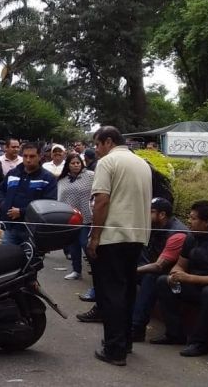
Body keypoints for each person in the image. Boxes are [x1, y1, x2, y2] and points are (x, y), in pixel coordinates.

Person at [86, 126, 152, 366]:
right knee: (126, 291)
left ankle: (114, 350)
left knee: (111, 293)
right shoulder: (141, 163)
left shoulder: (107, 163)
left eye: (97, 144)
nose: (96, 149)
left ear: (108, 141)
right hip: (137, 236)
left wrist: (95, 237)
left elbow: (102, 201)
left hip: (113, 236)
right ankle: (124, 342)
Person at [151, 201, 208, 357]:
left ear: (206, 222)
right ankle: (175, 334)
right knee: (163, 282)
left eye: (193, 218)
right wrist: (175, 274)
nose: (189, 222)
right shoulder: (192, 237)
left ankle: (199, 343)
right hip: (194, 285)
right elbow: (180, 265)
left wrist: (190, 278)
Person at [129, 198, 190, 342]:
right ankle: (116, 316)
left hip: (175, 276)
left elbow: (159, 266)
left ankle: (136, 328)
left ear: (162, 215)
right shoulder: (156, 226)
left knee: (150, 277)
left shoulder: (177, 234)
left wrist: (133, 270)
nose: (146, 214)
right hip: (159, 270)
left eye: (151, 211)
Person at [0, 142, 58, 245]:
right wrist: (3, 204)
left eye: (32, 156)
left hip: (32, 230)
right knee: (7, 259)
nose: (28, 160)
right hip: (10, 227)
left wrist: (22, 212)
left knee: (30, 260)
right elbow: (1, 190)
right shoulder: (13, 173)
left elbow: (49, 204)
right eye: (25, 156)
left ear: (39, 157)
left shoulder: (48, 178)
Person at [57, 154, 94, 280]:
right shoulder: (62, 180)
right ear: (68, 165)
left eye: (78, 162)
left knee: (85, 243)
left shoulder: (90, 176)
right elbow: (60, 198)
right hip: (70, 217)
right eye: (73, 163)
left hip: (87, 216)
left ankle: (96, 268)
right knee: (73, 245)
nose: (76, 165)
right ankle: (76, 270)